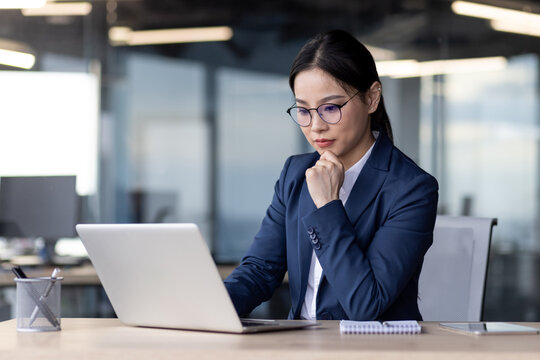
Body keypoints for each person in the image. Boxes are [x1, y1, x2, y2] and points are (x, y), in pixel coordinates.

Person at [224, 29, 439, 321]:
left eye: (330, 108)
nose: (316, 126)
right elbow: (260, 270)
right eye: (303, 110)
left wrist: (327, 206)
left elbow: (366, 304)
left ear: (372, 98)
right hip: (300, 346)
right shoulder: (295, 173)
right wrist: (208, 308)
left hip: (373, 350)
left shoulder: (412, 189)